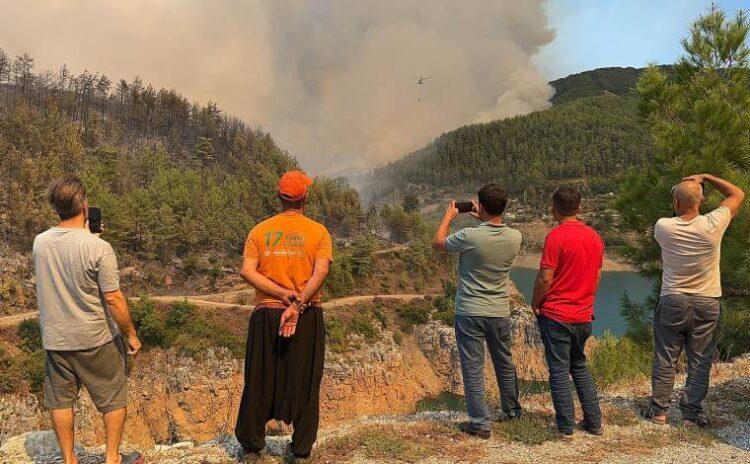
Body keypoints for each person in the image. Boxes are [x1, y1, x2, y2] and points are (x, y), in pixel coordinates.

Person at [33, 176, 143, 464]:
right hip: (95, 339)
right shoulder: (98, 248)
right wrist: (131, 335)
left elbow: (65, 253)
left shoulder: (40, 243)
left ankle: (69, 459)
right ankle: (111, 458)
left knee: (60, 401)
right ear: (84, 205)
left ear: (55, 207)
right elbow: (114, 299)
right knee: (113, 398)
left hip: (56, 340)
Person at [235, 171, 332, 462]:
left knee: (259, 378)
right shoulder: (318, 232)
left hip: (266, 313)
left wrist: (279, 295)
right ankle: (301, 450)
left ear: (279, 197)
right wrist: (298, 303)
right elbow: (321, 271)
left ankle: (252, 447)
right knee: (305, 380)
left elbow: (247, 271)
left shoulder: (259, 231)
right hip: (306, 314)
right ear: (305, 198)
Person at [644, 174, 745, 427]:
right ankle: (691, 414)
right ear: (702, 201)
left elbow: (680, 207)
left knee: (666, 357)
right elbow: (738, 194)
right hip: (707, 301)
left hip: (674, 299)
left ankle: (659, 411)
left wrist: (687, 189)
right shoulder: (714, 223)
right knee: (700, 360)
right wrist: (707, 177)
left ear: (676, 202)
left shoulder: (663, 226)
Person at [432, 184, 523, 439]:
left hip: (470, 311)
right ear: (503, 207)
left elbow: (438, 243)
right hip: (499, 311)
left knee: (473, 367)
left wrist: (448, 217)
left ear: (480, 206)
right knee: (504, 363)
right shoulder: (515, 237)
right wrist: (484, 216)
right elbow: (493, 230)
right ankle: (512, 411)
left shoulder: (470, 236)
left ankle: (480, 423)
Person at [531, 186, 603, 440]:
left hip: (557, 316)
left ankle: (565, 428)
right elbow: (596, 278)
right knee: (579, 366)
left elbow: (545, 278)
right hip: (583, 316)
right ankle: (594, 423)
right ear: (579, 208)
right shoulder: (595, 237)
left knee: (559, 370)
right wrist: (585, 302)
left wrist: (535, 303)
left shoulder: (556, 237)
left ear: (553, 209)